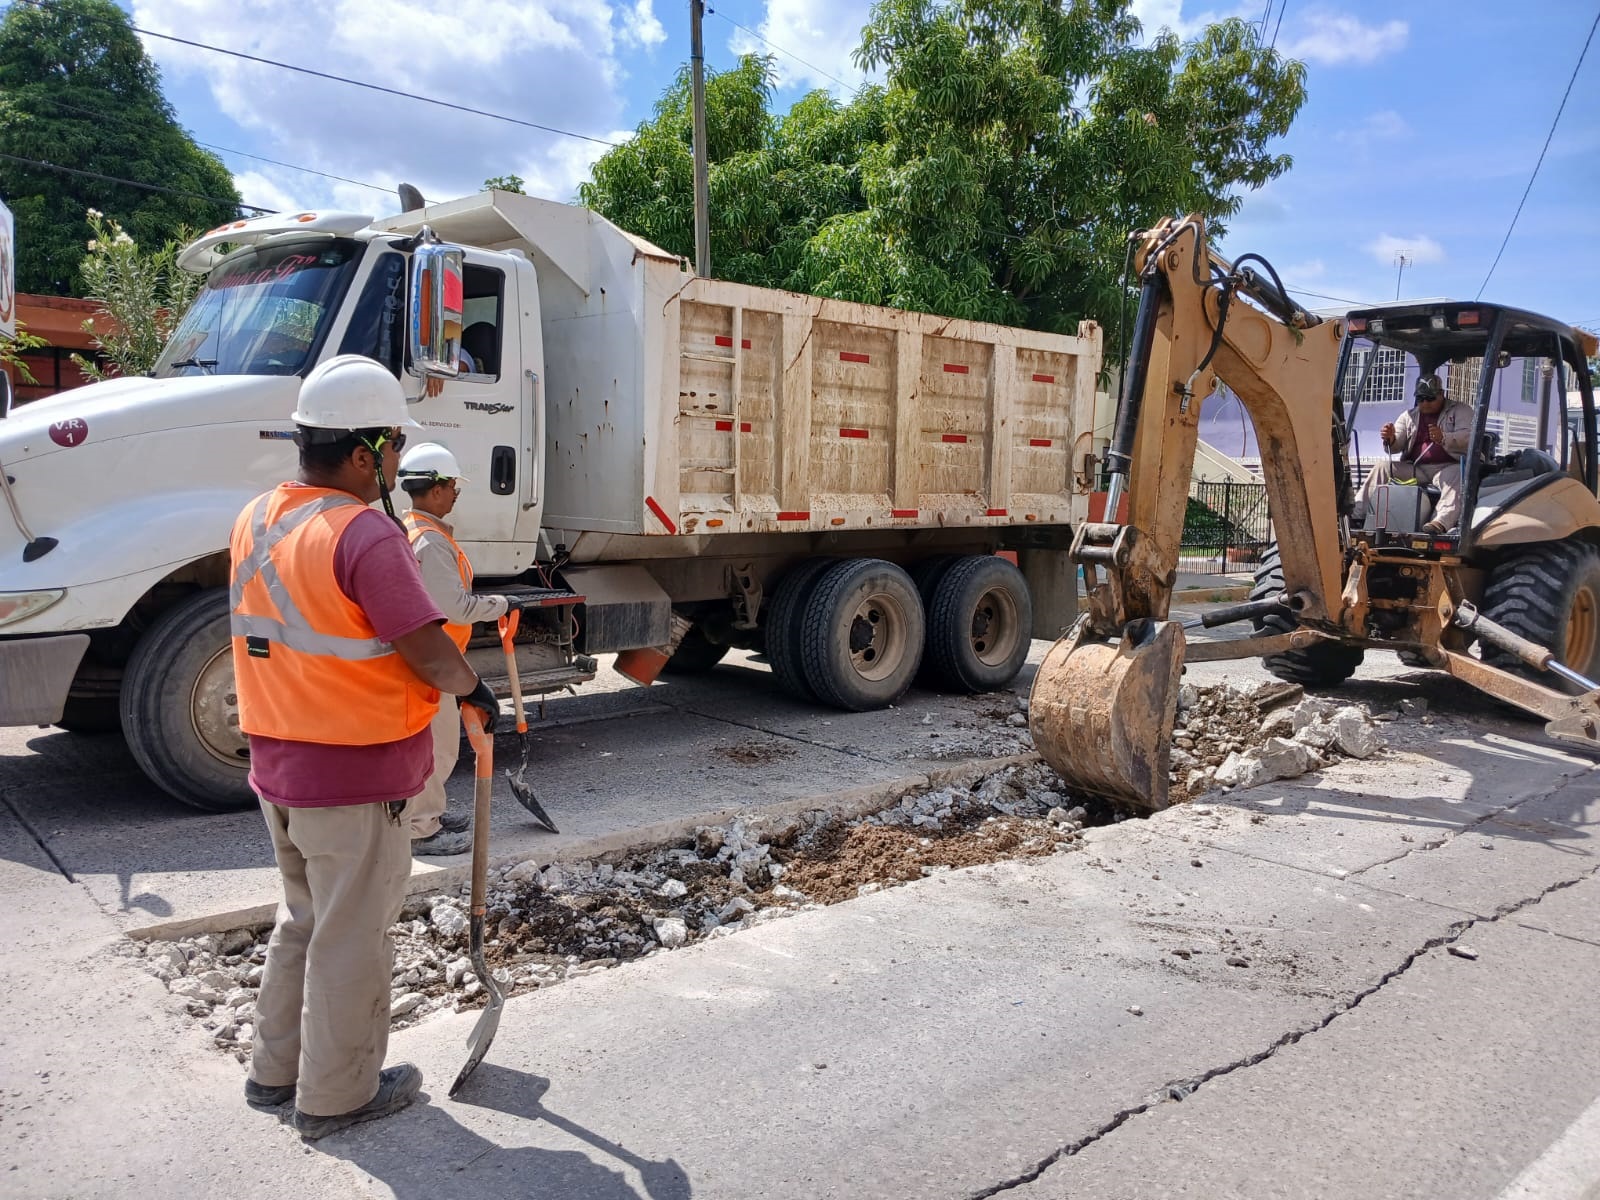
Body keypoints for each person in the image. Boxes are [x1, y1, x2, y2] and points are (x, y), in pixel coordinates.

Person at [230, 354, 502, 1141]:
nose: (395, 464)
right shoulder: (365, 533)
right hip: (353, 772)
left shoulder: (257, 517)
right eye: (390, 449)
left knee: (304, 921)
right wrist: (472, 692)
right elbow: (424, 647)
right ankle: (338, 1095)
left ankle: (273, 1074)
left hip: (278, 764)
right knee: (352, 936)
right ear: (361, 452)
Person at [398, 442, 510, 857]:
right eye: (453, 486)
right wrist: (500, 604)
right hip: (434, 662)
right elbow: (454, 607)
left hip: (431, 658)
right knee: (438, 747)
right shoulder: (430, 542)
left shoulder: (415, 530)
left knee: (432, 744)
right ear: (438, 488)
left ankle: (431, 813)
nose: (457, 495)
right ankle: (420, 829)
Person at [1354, 373, 1474, 533]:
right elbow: (1397, 444)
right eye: (1421, 398)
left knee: (1458, 474)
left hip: (1448, 466)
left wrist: (1444, 437)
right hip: (1417, 469)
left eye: (1430, 398)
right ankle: (1357, 515)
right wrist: (1390, 438)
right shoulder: (1408, 416)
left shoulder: (1460, 410)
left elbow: (1469, 437)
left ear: (1441, 394)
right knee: (1382, 467)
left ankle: (1440, 522)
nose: (1425, 403)